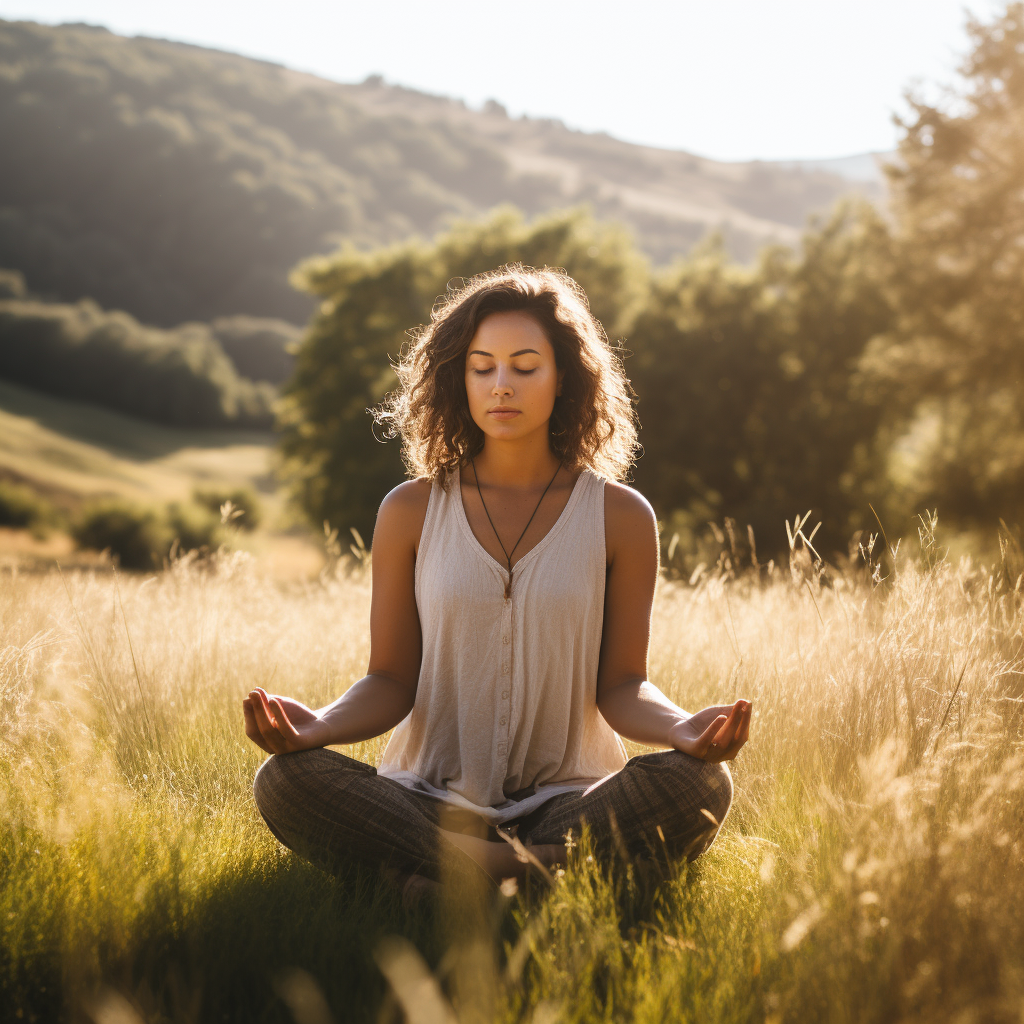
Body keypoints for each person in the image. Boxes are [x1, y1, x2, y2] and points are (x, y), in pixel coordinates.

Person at [243, 265, 751, 899]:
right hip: (428, 800)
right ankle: (543, 879)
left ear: (564, 376)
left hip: (566, 803)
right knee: (284, 781)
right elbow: (390, 680)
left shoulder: (621, 516)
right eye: (482, 367)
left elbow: (622, 686)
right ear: (459, 379)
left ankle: (422, 884)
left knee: (701, 784)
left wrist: (682, 730)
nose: (501, 386)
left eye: (525, 366)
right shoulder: (411, 510)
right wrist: (317, 726)